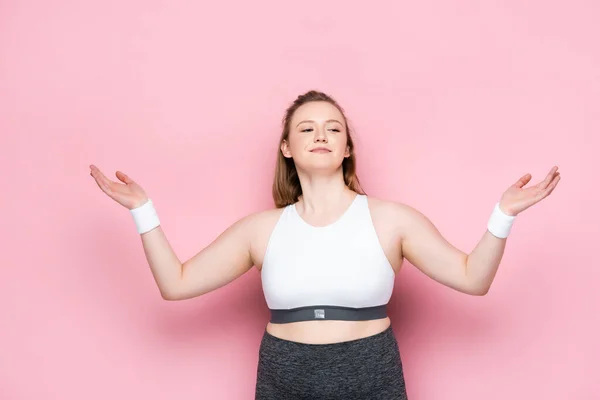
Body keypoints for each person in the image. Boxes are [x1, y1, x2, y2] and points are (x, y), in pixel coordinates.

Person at [89, 90, 561, 399]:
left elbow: (472, 278)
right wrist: (142, 209)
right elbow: (176, 283)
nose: (321, 134)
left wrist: (504, 214)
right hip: (285, 375)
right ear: (287, 149)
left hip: (369, 373)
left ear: (347, 148)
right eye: (307, 128)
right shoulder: (260, 229)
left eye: (333, 128)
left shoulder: (390, 218)